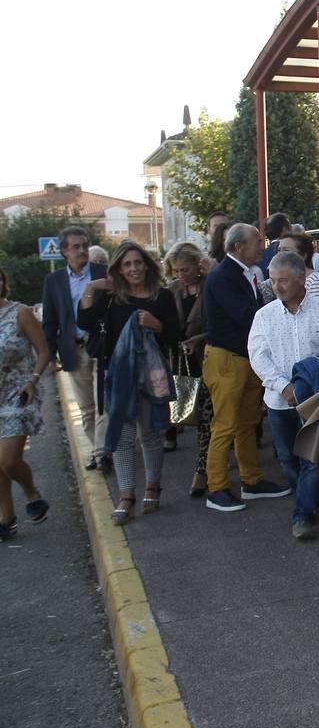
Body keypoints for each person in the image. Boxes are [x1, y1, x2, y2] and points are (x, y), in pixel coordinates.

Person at [77, 241, 181, 526]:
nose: (133, 269)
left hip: (152, 377)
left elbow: (175, 335)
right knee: (122, 438)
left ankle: (153, 487)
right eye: (127, 264)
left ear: (147, 264)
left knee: (149, 435)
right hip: (119, 376)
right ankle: (126, 496)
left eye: (137, 263)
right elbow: (85, 321)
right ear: (119, 270)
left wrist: (155, 325)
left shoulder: (162, 297)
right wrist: (93, 287)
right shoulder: (113, 298)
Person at [201, 224, 289, 514]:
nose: (262, 246)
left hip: (246, 358)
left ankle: (251, 480)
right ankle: (216, 488)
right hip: (226, 359)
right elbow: (245, 316)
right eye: (257, 242)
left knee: (248, 422)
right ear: (239, 247)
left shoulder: (245, 273)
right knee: (225, 424)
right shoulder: (223, 276)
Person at [247, 252, 319, 540]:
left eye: (283, 281)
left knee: (313, 457)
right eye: (273, 281)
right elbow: (258, 357)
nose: (276, 287)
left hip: (314, 400)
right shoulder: (264, 316)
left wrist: (307, 387)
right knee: (287, 457)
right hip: (277, 400)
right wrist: (284, 386)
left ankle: (301, 514)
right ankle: (308, 499)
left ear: (301, 279)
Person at [41, 225, 108, 471]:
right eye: (76, 247)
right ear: (64, 251)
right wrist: (49, 354)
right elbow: (50, 320)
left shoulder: (103, 272)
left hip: (101, 346)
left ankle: (102, 453)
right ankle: (97, 448)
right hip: (74, 349)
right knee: (86, 407)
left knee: (104, 402)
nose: (82, 251)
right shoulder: (54, 281)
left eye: (85, 245)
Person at [0, 266, 53, 541]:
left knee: (8, 461)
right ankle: (6, 517)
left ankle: (32, 492)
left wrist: (33, 380)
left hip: (19, 393)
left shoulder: (19, 313)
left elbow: (43, 350)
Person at [165, 243, 214, 496]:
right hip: (181, 364)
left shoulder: (211, 286)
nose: (181, 275)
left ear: (197, 265)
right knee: (187, 414)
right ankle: (212, 460)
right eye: (176, 270)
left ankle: (202, 469)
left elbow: (219, 322)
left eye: (185, 269)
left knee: (207, 417)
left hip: (208, 359)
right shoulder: (171, 291)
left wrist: (199, 338)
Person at [264, 232, 319, 305]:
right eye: (279, 250)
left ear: (303, 255)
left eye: (286, 250)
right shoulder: (275, 279)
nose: (280, 254)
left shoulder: (315, 281)